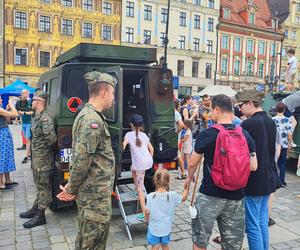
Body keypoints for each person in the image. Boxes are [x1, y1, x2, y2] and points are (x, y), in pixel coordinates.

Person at [185, 94, 257, 250]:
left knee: (200, 241)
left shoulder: (208, 134)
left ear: (217, 109)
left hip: (210, 194)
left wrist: (188, 178)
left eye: (211, 110)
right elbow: (253, 166)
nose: (210, 113)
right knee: (232, 244)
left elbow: (192, 162)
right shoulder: (245, 134)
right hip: (236, 197)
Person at [57, 71, 116, 250]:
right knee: (90, 243)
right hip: (94, 199)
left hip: (96, 195)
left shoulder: (91, 116)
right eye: (113, 93)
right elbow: (82, 160)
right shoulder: (92, 121)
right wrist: (71, 188)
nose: (114, 98)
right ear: (104, 93)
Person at [237, 90, 278, 250]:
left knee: (253, 224)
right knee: (261, 220)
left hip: (254, 179)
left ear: (249, 103)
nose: (240, 109)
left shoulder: (248, 124)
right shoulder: (270, 121)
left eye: (241, 105)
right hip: (268, 176)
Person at [19, 91, 57, 228]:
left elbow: (52, 139)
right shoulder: (37, 117)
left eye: (33, 100)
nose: (31, 102)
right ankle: (36, 208)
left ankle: (40, 215)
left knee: (44, 187)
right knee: (39, 185)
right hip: (37, 159)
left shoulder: (45, 119)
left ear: (40, 101)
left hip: (44, 160)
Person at [145, 169, 188, 250]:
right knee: (164, 245)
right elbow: (183, 198)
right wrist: (186, 188)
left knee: (155, 246)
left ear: (155, 180)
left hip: (154, 227)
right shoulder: (172, 195)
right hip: (166, 228)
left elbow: (147, 211)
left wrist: (147, 219)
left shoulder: (150, 196)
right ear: (168, 181)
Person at [123, 114, 154, 216]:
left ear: (131, 124)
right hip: (148, 161)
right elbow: (152, 149)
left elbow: (123, 146)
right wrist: (148, 159)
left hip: (140, 165)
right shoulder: (144, 135)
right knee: (132, 168)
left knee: (141, 189)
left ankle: (145, 211)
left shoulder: (128, 135)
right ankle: (136, 188)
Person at [272, 102, 293, 187]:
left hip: (274, 144)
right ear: (284, 110)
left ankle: (274, 180)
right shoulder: (288, 120)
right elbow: (289, 133)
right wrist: (290, 142)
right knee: (282, 163)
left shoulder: (272, 119)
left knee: (273, 162)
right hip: (284, 144)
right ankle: (282, 181)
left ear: (276, 109)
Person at [0, 97, 18, 190]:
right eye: (0, 99)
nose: (2, 100)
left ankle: (7, 180)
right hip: (1, 134)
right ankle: (0, 183)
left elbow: (8, 121)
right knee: (2, 157)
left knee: (7, 156)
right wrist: (11, 104)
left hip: (4, 133)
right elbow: (15, 114)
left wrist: (7, 110)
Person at [15, 89, 33, 163]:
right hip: (24, 123)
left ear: (27, 93)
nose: (22, 94)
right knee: (27, 139)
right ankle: (30, 154)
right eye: (22, 93)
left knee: (28, 139)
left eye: (24, 93)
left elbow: (33, 112)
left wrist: (24, 113)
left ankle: (26, 156)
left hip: (29, 122)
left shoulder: (31, 101)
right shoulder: (20, 102)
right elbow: (18, 111)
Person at [174, 100, 186, 179]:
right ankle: (182, 172)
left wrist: (176, 133)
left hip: (175, 137)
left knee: (178, 154)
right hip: (174, 138)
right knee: (178, 154)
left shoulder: (176, 114)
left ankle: (183, 172)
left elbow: (181, 125)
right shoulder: (175, 113)